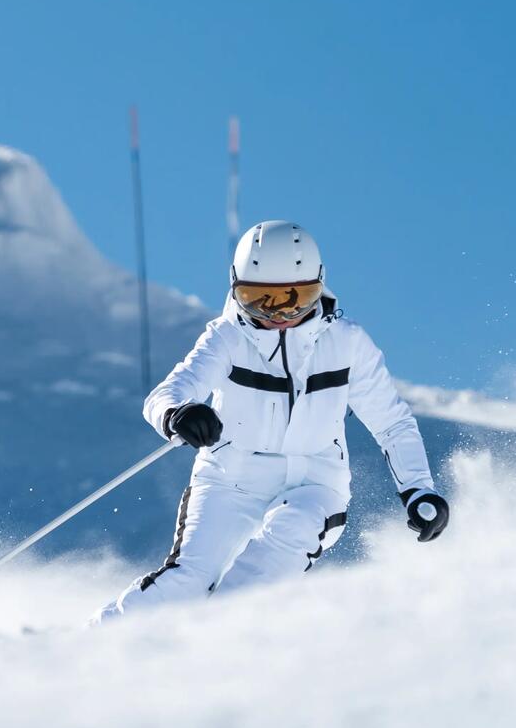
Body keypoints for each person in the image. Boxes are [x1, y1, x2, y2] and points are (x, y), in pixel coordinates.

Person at [95, 220, 448, 621]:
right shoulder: (227, 337)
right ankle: (89, 649)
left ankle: (215, 653)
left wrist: (419, 489)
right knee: (188, 582)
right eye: (259, 298)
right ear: (236, 289)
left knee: (263, 571)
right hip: (230, 478)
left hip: (315, 484)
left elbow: (392, 422)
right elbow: (165, 395)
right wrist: (179, 414)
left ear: (319, 286)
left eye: (296, 298)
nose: (279, 314)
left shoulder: (347, 345)